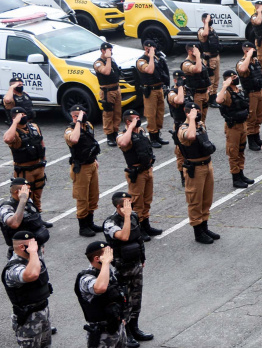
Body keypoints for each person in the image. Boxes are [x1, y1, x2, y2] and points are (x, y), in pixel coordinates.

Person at [102, 193, 153, 344]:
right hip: (121, 269)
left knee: (136, 300)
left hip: (135, 265)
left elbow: (138, 239)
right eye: (127, 204)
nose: (131, 206)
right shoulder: (110, 223)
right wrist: (126, 217)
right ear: (119, 207)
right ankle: (127, 333)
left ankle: (135, 329)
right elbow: (124, 236)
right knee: (125, 302)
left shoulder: (134, 216)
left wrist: (142, 258)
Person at [116, 110, 161, 243]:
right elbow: (123, 144)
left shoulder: (140, 131)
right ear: (128, 121)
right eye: (135, 119)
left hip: (147, 170)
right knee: (137, 202)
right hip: (136, 173)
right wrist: (130, 127)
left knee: (147, 200)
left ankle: (146, 225)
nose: (138, 120)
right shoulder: (123, 134)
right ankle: (137, 229)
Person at [177, 104, 218, 245]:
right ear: (188, 113)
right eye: (195, 112)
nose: (198, 114)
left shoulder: (200, 124)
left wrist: (196, 120)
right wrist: (192, 120)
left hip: (207, 164)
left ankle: (205, 227)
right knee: (195, 200)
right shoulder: (183, 129)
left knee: (207, 199)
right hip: (195, 169)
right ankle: (198, 231)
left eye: (199, 111)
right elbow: (191, 136)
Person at [75, 241, 129, 347]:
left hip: (116, 325)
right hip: (102, 333)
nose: (110, 256)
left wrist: (121, 316)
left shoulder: (107, 270)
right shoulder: (85, 278)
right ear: (97, 259)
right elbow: (101, 288)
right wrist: (105, 263)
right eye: (107, 254)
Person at [3, 231, 52, 348]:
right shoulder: (13, 268)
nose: (36, 247)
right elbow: (32, 275)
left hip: (43, 313)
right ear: (22, 247)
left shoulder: (32, 258)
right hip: (28, 320)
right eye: (32, 245)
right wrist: (34, 252)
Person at [65, 105, 103, 237]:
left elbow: (90, 143)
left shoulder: (89, 126)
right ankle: (83, 226)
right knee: (82, 198)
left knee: (93, 196)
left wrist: (95, 158)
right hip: (80, 168)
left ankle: (90, 222)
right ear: (73, 116)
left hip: (91, 164)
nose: (84, 116)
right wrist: (78, 122)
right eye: (79, 114)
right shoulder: (70, 130)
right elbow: (74, 139)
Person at [4, 108, 49, 219]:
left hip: (38, 167)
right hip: (24, 170)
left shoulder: (33, 126)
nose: (24, 116)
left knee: (37, 196)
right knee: (24, 197)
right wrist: (14, 122)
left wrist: (43, 159)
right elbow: (7, 139)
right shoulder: (14, 131)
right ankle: (25, 220)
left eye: (24, 114)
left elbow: (40, 142)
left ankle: (38, 219)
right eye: (21, 115)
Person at [216, 70, 253, 189]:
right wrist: (224, 86)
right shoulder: (226, 93)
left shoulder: (239, 90)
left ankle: (241, 173)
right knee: (233, 152)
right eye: (234, 77)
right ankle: (235, 178)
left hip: (242, 125)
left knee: (241, 150)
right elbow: (218, 100)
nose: (236, 78)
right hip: (233, 127)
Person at [0, 179, 48, 259]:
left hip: (35, 249)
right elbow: (14, 223)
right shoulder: (6, 207)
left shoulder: (28, 200)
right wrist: (22, 200)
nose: (29, 192)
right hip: (20, 254)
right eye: (26, 190)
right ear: (16, 192)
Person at [236, 42, 262, 151]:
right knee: (251, 117)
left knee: (259, 116)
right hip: (250, 93)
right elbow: (242, 70)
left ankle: (256, 136)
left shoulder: (255, 61)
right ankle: (251, 140)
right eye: (251, 50)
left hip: (259, 91)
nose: (254, 52)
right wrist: (248, 56)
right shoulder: (242, 62)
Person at [135, 41, 168, 148]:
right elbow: (150, 70)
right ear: (146, 49)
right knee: (151, 114)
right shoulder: (141, 61)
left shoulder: (157, 58)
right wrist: (151, 57)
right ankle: (153, 138)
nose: (154, 49)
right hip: (150, 91)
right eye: (151, 48)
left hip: (159, 89)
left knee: (159, 113)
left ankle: (158, 135)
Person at [95, 42, 121, 147]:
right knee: (108, 114)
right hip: (107, 91)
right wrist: (108, 58)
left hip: (116, 89)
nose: (111, 52)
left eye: (111, 50)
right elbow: (106, 72)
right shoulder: (98, 63)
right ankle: (110, 136)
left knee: (117, 113)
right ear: (103, 51)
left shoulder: (112, 60)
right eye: (109, 50)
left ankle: (115, 132)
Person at [180, 43, 210, 121]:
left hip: (204, 93)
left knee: (203, 118)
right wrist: (197, 56)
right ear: (190, 52)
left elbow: (204, 74)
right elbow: (198, 70)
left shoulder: (199, 60)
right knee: (196, 118)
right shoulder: (186, 64)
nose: (199, 53)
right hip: (196, 95)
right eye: (196, 51)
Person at [197, 13, 221, 107]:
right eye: (209, 19)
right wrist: (206, 22)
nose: (211, 20)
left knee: (216, 79)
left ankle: (213, 97)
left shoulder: (212, 30)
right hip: (209, 58)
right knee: (210, 79)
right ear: (204, 20)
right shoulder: (202, 30)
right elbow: (205, 34)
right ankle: (209, 99)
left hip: (216, 56)